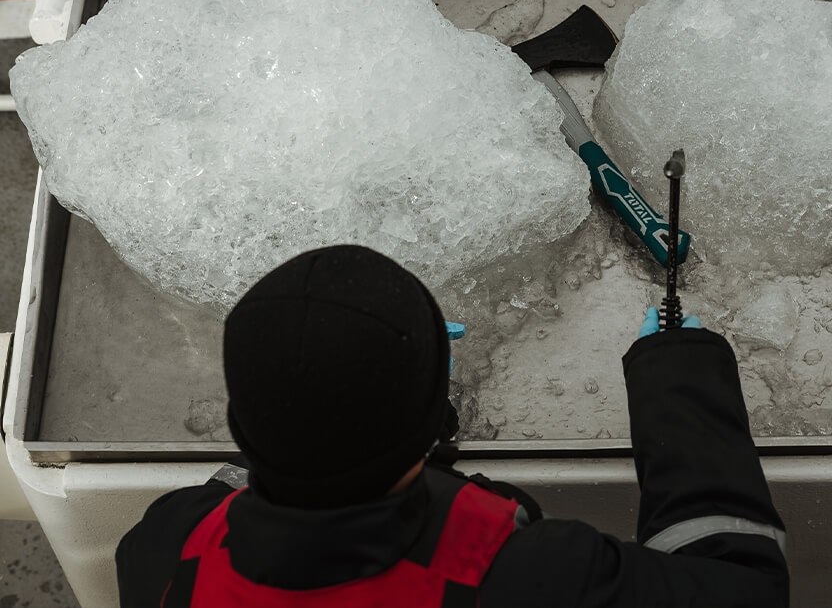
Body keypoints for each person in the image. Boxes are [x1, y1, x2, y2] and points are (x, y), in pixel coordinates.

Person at [116, 245, 789, 607]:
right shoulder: (536, 577)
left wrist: (382, 392)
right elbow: (747, 591)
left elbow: (296, 472)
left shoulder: (165, 543)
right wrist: (684, 391)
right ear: (434, 422)